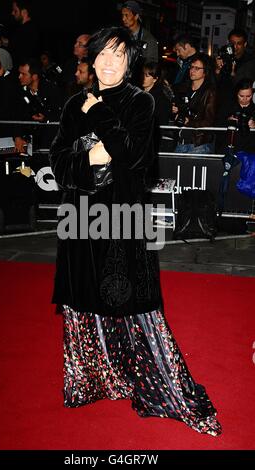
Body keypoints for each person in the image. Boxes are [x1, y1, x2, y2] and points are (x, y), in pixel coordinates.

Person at [49, 26, 221, 436]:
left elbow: (137, 158)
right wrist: (92, 160)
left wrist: (99, 118)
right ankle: (93, 376)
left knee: (133, 301)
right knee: (84, 295)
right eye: (103, 55)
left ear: (129, 61)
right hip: (81, 217)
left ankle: (161, 387)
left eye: (118, 55)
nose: (109, 62)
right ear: (91, 60)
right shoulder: (74, 103)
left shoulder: (141, 102)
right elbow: (58, 161)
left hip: (125, 218)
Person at [173, 53, 217, 154]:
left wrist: (189, 122)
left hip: (199, 143)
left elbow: (209, 121)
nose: (192, 71)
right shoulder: (183, 88)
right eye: (191, 67)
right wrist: (175, 111)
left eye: (197, 68)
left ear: (205, 71)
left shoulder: (209, 92)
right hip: (181, 141)